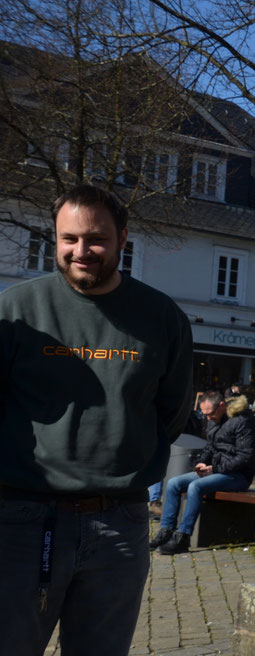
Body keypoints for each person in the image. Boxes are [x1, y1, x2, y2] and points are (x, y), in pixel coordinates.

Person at [0, 184, 194, 655]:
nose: (81, 251)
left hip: (119, 525)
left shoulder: (162, 317)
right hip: (23, 521)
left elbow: (172, 411)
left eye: (96, 239)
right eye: (69, 239)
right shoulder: (15, 311)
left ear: (123, 238)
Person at [151, 391, 255, 555]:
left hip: (239, 475)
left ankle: (183, 537)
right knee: (173, 483)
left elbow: (245, 457)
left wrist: (214, 469)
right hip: (216, 471)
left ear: (222, 406)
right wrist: (202, 462)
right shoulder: (214, 421)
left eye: (211, 414)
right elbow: (210, 447)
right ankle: (166, 531)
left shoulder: (242, 421)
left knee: (195, 486)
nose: (208, 418)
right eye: (205, 415)